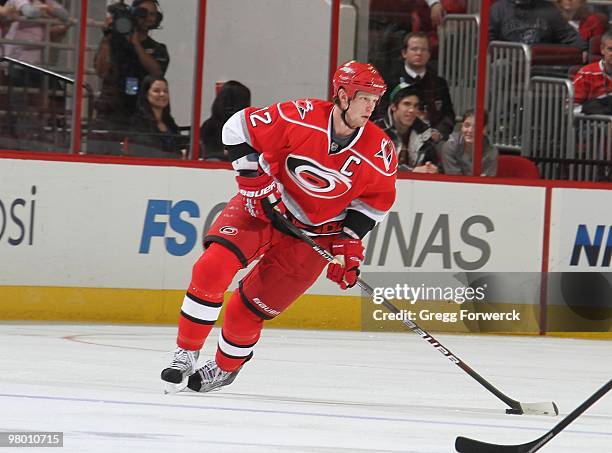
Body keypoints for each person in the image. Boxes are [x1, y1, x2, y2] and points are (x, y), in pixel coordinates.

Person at [160, 61, 397, 393]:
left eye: (376, 99)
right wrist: (252, 182)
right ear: (342, 95)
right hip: (265, 207)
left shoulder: (380, 151)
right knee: (212, 267)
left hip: (314, 237)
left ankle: (226, 367)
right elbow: (235, 128)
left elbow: (375, 202)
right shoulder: (299, 116)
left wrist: (349, 245)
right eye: (365, 98)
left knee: (245, 311)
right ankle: (185, 351)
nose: (371, 107)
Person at [94, 0, 169, 130]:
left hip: (141, 114)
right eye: (142, 13)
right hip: (111, 112)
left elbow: (157, 72)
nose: (147, 18)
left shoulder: (158, 49)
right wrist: (107, 37)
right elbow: (101, 71)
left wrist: (136, 44)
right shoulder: (113, 44)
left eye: (152, 14)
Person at [383, 32, 455, 143]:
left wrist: (439, 132)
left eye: (423, 50)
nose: (419, 53)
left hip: (431, 141)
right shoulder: (390, 80)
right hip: (395, 138)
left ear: (429, 54)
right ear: (404, 53)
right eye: (414, 49)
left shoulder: (439, 83)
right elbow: (380, 112)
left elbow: (448, 115)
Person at [376, 83, 438, 173]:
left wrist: (431, 168)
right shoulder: (377, 131)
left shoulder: (425, 133)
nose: (412, 110)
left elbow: (433, 163)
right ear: (393, 106)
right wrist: (412, 171)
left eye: (415, 106)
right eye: (406, 104)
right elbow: (374, 166)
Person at [489, 0, 587, 51]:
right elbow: (487, 40)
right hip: (508, 65)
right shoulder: (498, 9)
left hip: (542, 66)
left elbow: (568, 36)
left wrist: (583, 49)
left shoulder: (548, 9)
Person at [127, 75, 183, 158]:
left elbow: (181, 144)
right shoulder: (138, 123)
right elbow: (145, 151)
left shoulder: (170, 123)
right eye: (156, 91)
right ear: (146, 94)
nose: (162, 94)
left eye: (165, 91)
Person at [2, 0, 70, 65]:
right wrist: (43, 13)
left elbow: (65, 15)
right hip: (17, 52)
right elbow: (29, 12)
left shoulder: (45, 2)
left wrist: (49, 8)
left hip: (35, 53)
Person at [200, 80, 251, 161]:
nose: (230, 107)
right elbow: (210, 156)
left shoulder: (249, 127)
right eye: (226, 101)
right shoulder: (210, 126)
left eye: (236, 101)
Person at [441, 109, 498, 176]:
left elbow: (487, 182)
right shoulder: (450, 146)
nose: (470, 130)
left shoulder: (491, 151)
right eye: (466, 125)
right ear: (461, 127)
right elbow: (455, 181)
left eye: (476, 127)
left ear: (484, 129)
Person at [572, 29, 612, 115]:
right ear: (602, 49)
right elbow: (571, 108)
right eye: (610, 49)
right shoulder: (586, 74)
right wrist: (590, 110)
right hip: (592, 125)